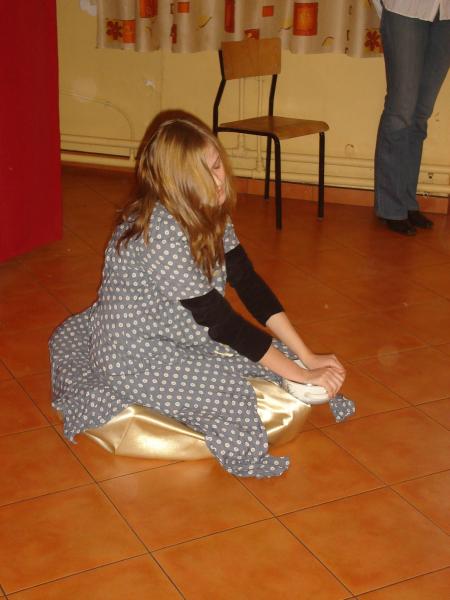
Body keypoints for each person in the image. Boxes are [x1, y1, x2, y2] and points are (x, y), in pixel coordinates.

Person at [50, 111, 349, 479]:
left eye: (217, 165)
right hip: (136, 353)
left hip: (184, 332)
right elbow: (221, 321)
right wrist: (302, 375)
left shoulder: (210, 209)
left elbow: (249, 284)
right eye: (202, 173)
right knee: (231, 394)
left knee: (284, 357)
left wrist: (305, 356)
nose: (218, 180)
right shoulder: (161, 232)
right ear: (176, 184)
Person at [372, 0, 450, 235]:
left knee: (420, 113)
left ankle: (406, 201)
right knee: (401, 111)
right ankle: (390, 207)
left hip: (446, 15)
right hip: (406, 9)